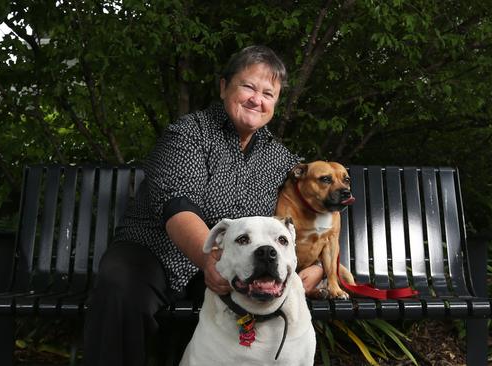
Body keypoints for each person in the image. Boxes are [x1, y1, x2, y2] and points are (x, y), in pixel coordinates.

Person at [83, 45, 324, 366]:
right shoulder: (187, 134)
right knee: (119, 287)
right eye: (248, 87)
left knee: (258, 303)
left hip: (229, 263)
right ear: (224, 86)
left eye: (269, 93)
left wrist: (319, 268)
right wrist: (209, 259)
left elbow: (320, 212)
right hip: (154, 251)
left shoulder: (280, 159)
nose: (257, 99)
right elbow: (176, 204)